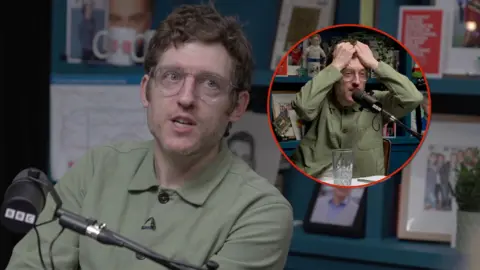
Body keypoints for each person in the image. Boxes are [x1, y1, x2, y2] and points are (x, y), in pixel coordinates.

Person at [7, 4, 293, 270]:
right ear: (146, 91)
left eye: (210, 84)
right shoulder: (97, 168)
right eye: (172, 76)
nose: (186, 97)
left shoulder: (261, 211)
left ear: (237, 106)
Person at [290, 39, 423, 179]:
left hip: (362, 183)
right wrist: (336, 65)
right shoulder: (320, 98)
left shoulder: (376, 102)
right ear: (334, 77)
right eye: (347, 73)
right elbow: (303, 107)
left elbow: (413, 98)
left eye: (362, 74)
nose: (357, 82)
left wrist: (374, 64)